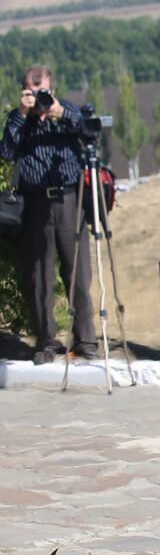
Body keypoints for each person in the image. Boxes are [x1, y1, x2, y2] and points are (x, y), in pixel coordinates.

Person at [0, 65, 97, 363]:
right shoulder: (20, 120)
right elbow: (6, 152)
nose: (38, 97)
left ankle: (86, 340)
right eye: (31, 90)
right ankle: (45, 341)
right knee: (39, 274)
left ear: (51, 87)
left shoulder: (66, 110)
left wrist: (62, 114)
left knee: (77, 271)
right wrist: (20, 114)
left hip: (69, 198)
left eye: (42, 90)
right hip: (35, 202)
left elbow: (91, 135)